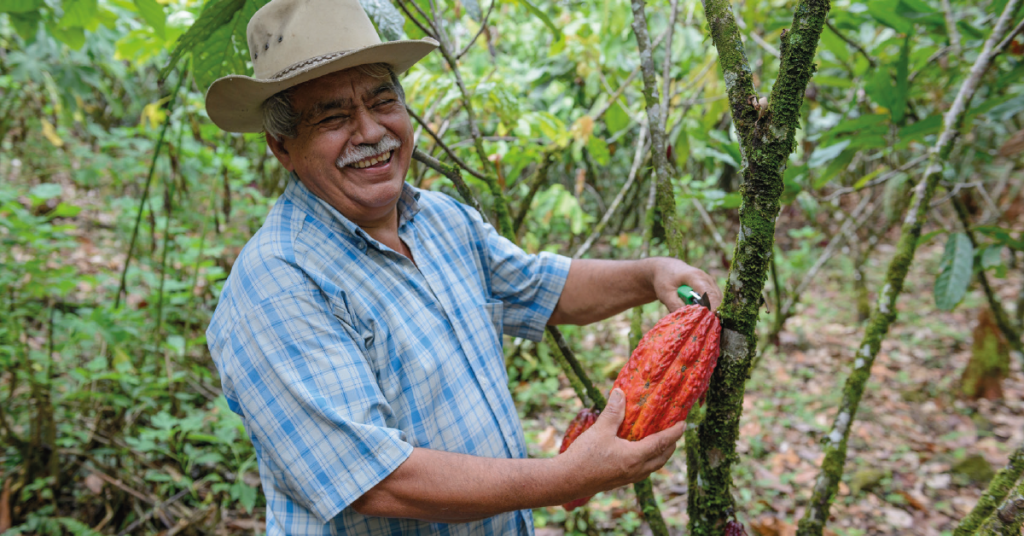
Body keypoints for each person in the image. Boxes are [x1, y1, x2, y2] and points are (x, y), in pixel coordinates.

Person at [204, 0, 722, 533]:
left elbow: (545, 288)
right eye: (333, 117)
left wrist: (650, 274)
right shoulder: (277, 284)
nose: (369, 132)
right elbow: (377, 480)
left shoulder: (441, 221)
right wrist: (565, 477)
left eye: (383, 102)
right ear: (281, 146)